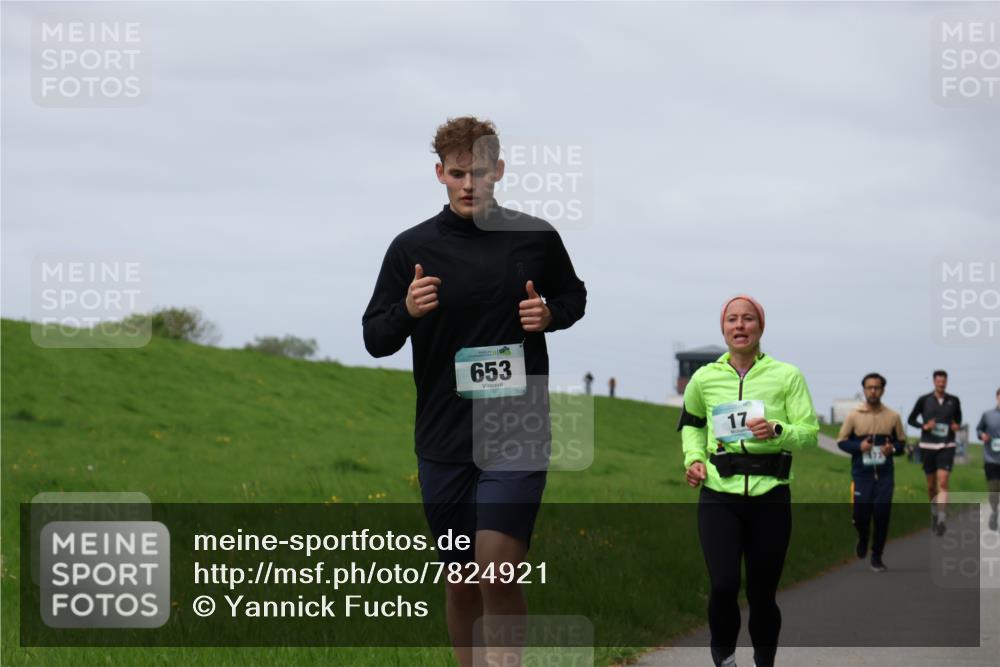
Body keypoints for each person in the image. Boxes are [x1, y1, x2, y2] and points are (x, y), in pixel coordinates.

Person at [362, 116, 586, 667]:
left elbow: (574, 296)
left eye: (480, 172)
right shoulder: (411, 248)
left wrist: (550, 313)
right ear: (439, 173)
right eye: (458, 173)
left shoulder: (535, 237)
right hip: (443, 435)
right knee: (461, 580)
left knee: (495, 566)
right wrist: (406, 311)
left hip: (518, 428)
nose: (469, 184)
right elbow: (374, 337)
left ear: (499, 171)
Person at [678, 295, 818, 667]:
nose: (740, 326)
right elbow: (692, 425)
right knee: (723, 586)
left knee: (762, 594)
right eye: (732, 320)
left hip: (770, 496)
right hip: (719, 496)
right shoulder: (704, 378)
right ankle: (724, 658)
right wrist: (693, 460)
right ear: (723, 328)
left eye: (748, 319)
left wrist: (777, 429)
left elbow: (809, 434)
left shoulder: (787, 376)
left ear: (761, 327)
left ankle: (764, 661)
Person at [836, 373, 907, 572]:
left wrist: (891, 449)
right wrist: (859, 446)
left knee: (882, 515)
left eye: (877, 387)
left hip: (885, 475)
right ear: (864, 390)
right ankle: (863, 536)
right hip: (862, 474)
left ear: (883, 390)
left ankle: (877, 556)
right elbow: (841, 441)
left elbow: (901, 443)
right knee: (861, 515)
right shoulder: (854, 415)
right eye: (869, 387)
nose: (873, 391)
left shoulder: (893, 416)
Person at [908, 370, 963, 536]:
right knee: (931, 486)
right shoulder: (924, 400)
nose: (941, 384)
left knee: (943, 482)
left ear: (947, 382)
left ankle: (941, 519)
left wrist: (956, 426)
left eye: (944, 381)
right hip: (928, 446)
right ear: (934, 382)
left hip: (947, 445)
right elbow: (911, 419)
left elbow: (958, 420)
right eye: (939, 381)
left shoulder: (954, 400)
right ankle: (933, 512)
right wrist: (923, 427)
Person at [975, 387, 1000, 531]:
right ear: (997, 397)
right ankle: (994, 511)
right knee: (993, 490)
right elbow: (979, 429)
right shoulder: (987, 415)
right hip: (991, 459)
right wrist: (981, 435)